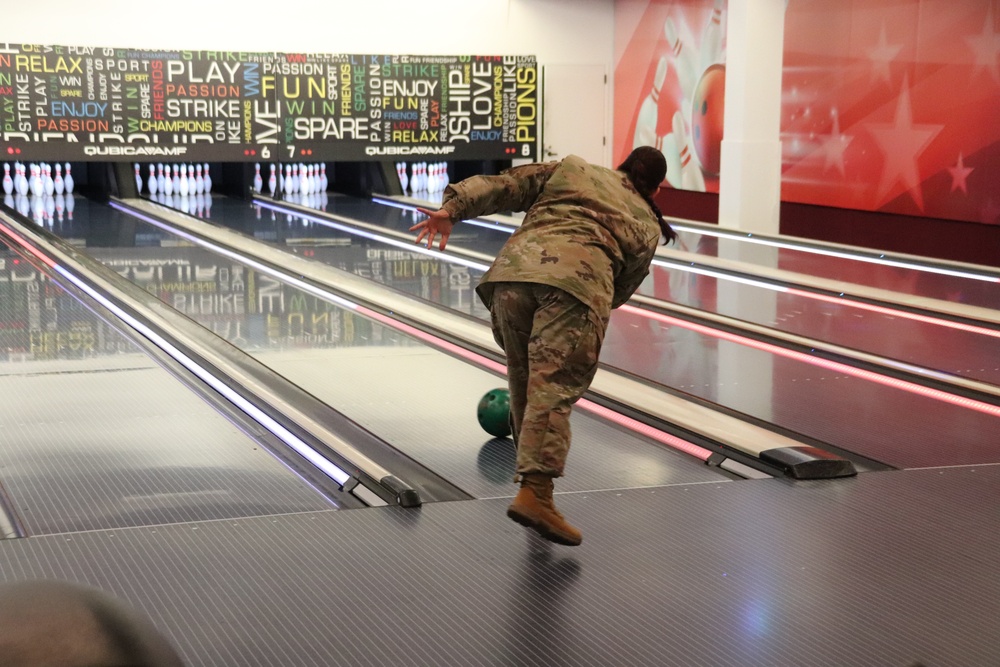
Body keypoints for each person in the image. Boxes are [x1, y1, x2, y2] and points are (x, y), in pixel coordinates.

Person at [411, 147, 675, 547]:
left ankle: (530, 484)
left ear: (621, 163)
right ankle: (536, 493)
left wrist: (454, 209)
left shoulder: (573, 169)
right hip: (573, 290)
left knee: (525, 378)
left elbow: (507, 185)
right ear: (658, 188)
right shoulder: (646, 222)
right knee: (551, 389)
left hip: (511, 280)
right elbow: (621, 289)